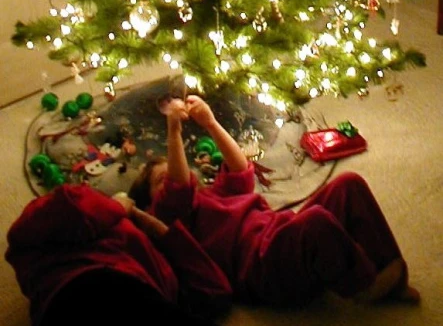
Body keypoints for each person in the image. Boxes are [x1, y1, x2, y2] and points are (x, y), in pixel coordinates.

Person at [129, 95, 420, 311]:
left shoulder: (211, 195)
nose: (170, 179)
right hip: (262, 268)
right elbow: (178, 187)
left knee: (349, 184)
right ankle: (364, 284)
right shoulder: (171, 221)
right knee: (316, 221)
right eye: (160, 182)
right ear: (152, 203)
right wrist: (174, 132)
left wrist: (210, 123)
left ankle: (392, 273)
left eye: (170, 172)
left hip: (280, 231)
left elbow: (241, 168)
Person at [5, 181, 232, 326]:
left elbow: (215, 293)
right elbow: (68, 204)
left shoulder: (160, 256)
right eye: (160, 179)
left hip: (139, 292)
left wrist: (161, 231)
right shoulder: (70, 220)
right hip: (89, 288)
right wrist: (118, 207)